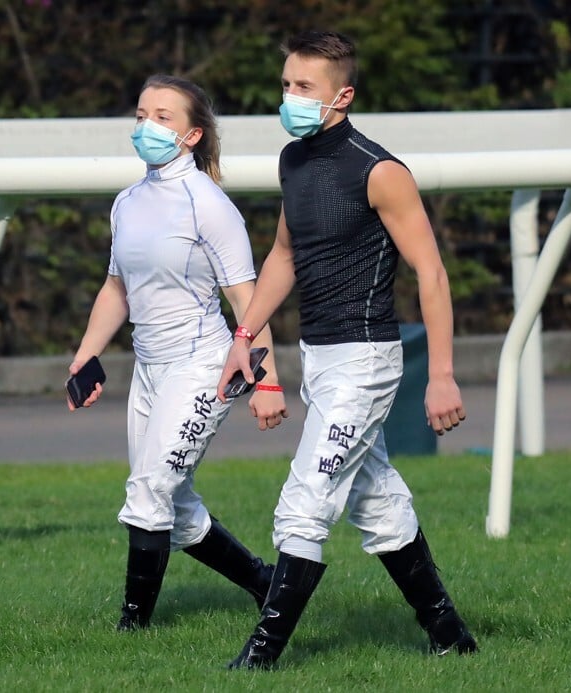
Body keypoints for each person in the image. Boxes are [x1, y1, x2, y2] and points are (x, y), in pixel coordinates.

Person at [216, 31, 478, 669]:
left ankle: (259, 658)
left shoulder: (380, 170)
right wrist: (242, 339)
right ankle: (453, 639)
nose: (290, 98)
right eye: (286, 85)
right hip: (320, 361)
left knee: (303, 504)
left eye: (304, 87)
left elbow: (432, 274)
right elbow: (284, 256)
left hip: (366, 363)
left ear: (342, 95)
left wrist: (440, 376)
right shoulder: (294, 161)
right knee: (376, 503)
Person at [68, 73, 289, 632]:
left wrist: (266, 383)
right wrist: (85, 356)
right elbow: (116, 289)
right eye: (141, 115)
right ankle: (267, 584)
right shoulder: (127, 203)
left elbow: (248, 300)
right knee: (177, 504)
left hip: (204, 367)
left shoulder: (208, 205)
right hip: (149, 371)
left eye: (163, 117)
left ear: (192, 135)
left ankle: (132, 627)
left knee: (149, 491)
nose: (147, 126)